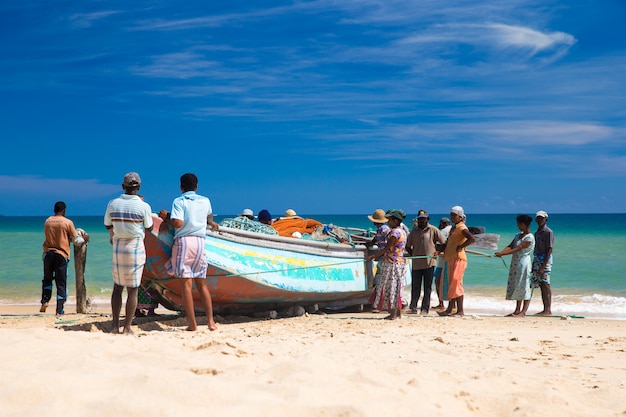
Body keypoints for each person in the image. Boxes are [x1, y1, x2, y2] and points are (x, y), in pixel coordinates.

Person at [158, 173, 219, 331]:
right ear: (197, 187)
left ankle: (192, 325)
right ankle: (211, 322)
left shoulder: (179, 201)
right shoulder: (205, 200)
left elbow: (178, 223)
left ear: (181, 187)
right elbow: (208, 218)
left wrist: (167, 218)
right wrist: (212, 223)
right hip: (200, 242)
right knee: (202, 283)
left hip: (184, 242)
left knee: (186, 285)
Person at [104, 172, 153, 334]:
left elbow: (107, 224)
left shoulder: (113, 204)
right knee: (133, 290)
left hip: (118, 248)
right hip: (135, 249)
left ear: (123, 187)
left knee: (117, 288)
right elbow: (149, 227)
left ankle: (114, 326)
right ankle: (127, 328)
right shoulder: (143, 206)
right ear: (138, 187)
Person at [41, 201, 89, 315]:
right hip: (61, 254)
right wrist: (85, 239)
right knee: (61, 282)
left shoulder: (47, 221)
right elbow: (76, 241)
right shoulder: (67, 222)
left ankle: (45, 300)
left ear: (54, 210)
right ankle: (59, 309)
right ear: (64, 211)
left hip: (47, 253)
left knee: (47, 279)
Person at [367, 209, 408, 320]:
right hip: (399, 262)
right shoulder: (402, 231)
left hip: (392, 263)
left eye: (390, 220)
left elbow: (386, 248)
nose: (388, 221)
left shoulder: (394, 233)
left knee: (391, 288)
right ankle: (397, 313)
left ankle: (393, 314)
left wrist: (373, 256)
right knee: (397, 287)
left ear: (395, 221)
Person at [405, 210, 445, 315]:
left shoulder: (433, 230)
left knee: (427, 287)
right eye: (420, 219)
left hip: (429, 263)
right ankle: (413, 307)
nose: (421, 221)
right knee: (415, 287)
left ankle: (424, 309)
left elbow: (444, 242)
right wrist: (412, 255)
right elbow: (407, 246)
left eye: (424, 219)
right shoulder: (413, 232)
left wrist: (438, 251)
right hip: (416, 264)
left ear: (427, 219)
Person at [495, 214, 535, 317]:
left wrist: (502, 254)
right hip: (515, 263)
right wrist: (501, 252)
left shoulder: (529, 237)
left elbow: (519, 248)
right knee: (518, 285)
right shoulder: (518, 235)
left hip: (524, 263)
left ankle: (523, 311)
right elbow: (511, 246)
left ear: (523, 224)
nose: (517, 226)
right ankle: (517, 310)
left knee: (524, 286)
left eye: (518, 224)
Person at [438, 206, 474, 317]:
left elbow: (471, 238)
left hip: (458, 258)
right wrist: (439, 249)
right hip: (449, 258)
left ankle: (460, 311)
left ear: (460, 216)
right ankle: (450, 309)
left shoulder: (462, 228)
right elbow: (448, 243)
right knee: (451, 284)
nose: (452, 217)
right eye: (451, 215)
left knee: (456, 282)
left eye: (454, 215)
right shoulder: (453, 228)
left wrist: (461, 246)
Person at [365, 209, 391, 311]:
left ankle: (379, 305)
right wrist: (370, 243)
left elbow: (388, 242)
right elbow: (376, 239)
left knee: (380, 281)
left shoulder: (384, 229)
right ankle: (379, 304)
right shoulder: (380, 229)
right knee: (380, 281)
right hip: (382, 257)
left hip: (384, 258)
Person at [532, 210, 554, 316]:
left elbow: (549, 249)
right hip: (537, 258)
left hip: (545, 259)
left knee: (546, 284)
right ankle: (545, 309)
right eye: (538, 218)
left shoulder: (548, 232)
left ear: (546, 219)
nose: (540, 219)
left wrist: (543, 266)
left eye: (542, 218)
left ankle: (548, 309)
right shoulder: (536, 232)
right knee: (541, 284)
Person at [433, 217, 452, 310]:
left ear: (443, 223)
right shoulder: (453, 230)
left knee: (438, 281)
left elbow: (439, 245)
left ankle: (441, 303)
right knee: (451, 282)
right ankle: (453, 304)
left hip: (442, 262)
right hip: (452, 260)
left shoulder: (443, 231)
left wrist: (436, 251)